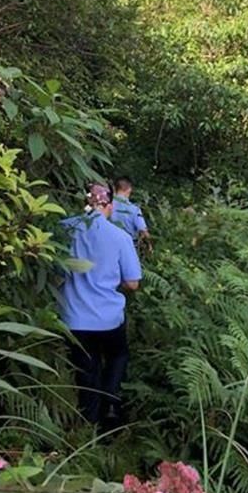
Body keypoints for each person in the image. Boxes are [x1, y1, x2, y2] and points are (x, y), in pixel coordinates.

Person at [59, 183, 142, 430]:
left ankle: (89, 425)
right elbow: (133, 283)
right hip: (108, 318)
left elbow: (56, 272)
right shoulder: (120, 237)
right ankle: (112, 405)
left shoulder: (65, 229)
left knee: (87, 368)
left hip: (73, 318)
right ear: (109, 206)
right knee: (118, 355)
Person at [111, 176, 152, 250]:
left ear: (114, 188)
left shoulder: (106, 206)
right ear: (129, 189)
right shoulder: (134, 209)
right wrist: (149, 246)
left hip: (108, 244)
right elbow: (143, 230)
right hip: (129, 246)